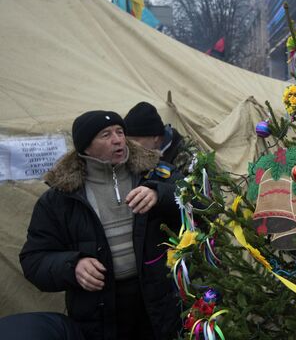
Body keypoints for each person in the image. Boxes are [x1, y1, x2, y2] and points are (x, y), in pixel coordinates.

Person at [20, 110, 181, 340]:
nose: (118, 139)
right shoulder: (61, 197)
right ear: (85, 147)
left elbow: (200, 203)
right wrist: (72, 266)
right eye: (105, 135)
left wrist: (161, 194)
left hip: (158, 301)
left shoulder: (156, 173)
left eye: (120, 132)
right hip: (100, 310)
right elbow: (33, 260)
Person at [124, 101, 193, 173]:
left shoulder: (188, 156)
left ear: (155, 137)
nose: (131, 146)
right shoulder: (130, 156)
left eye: (136, 140)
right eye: (128, 141)